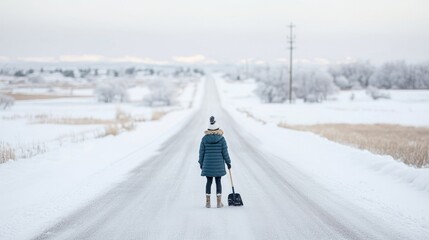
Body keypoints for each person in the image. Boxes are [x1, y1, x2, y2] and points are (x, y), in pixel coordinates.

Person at [199, 116, 231, 208]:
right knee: (218, 181)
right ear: (218, 129)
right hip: (219, 165)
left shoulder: (204, 139)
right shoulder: (222, 139)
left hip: (207, 164)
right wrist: (228, 162)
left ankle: (208, 203)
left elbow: (201, 152)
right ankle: (218, 202)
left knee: (209, 181)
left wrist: (201, 163)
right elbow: (225, 152)